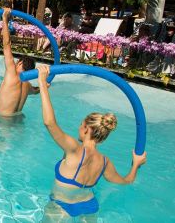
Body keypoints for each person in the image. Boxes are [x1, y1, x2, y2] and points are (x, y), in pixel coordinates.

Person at [36, 65, 146, 221]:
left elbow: (49, 122)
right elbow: (126, 181)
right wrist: (136, 164)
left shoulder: (74, 149)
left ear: (87, 129)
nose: (79, 128)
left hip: (62, 205)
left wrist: (42, 83)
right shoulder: (105, 162)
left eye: (81, 125)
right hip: (89, 205)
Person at [0, 8, 38, 118]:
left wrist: (4, 19)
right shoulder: (28, 86)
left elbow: (7, 44)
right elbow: (36, 91)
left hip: (4, 121)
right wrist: (45, 85)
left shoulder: (12, 74)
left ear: (19, 63)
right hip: (19, 119)